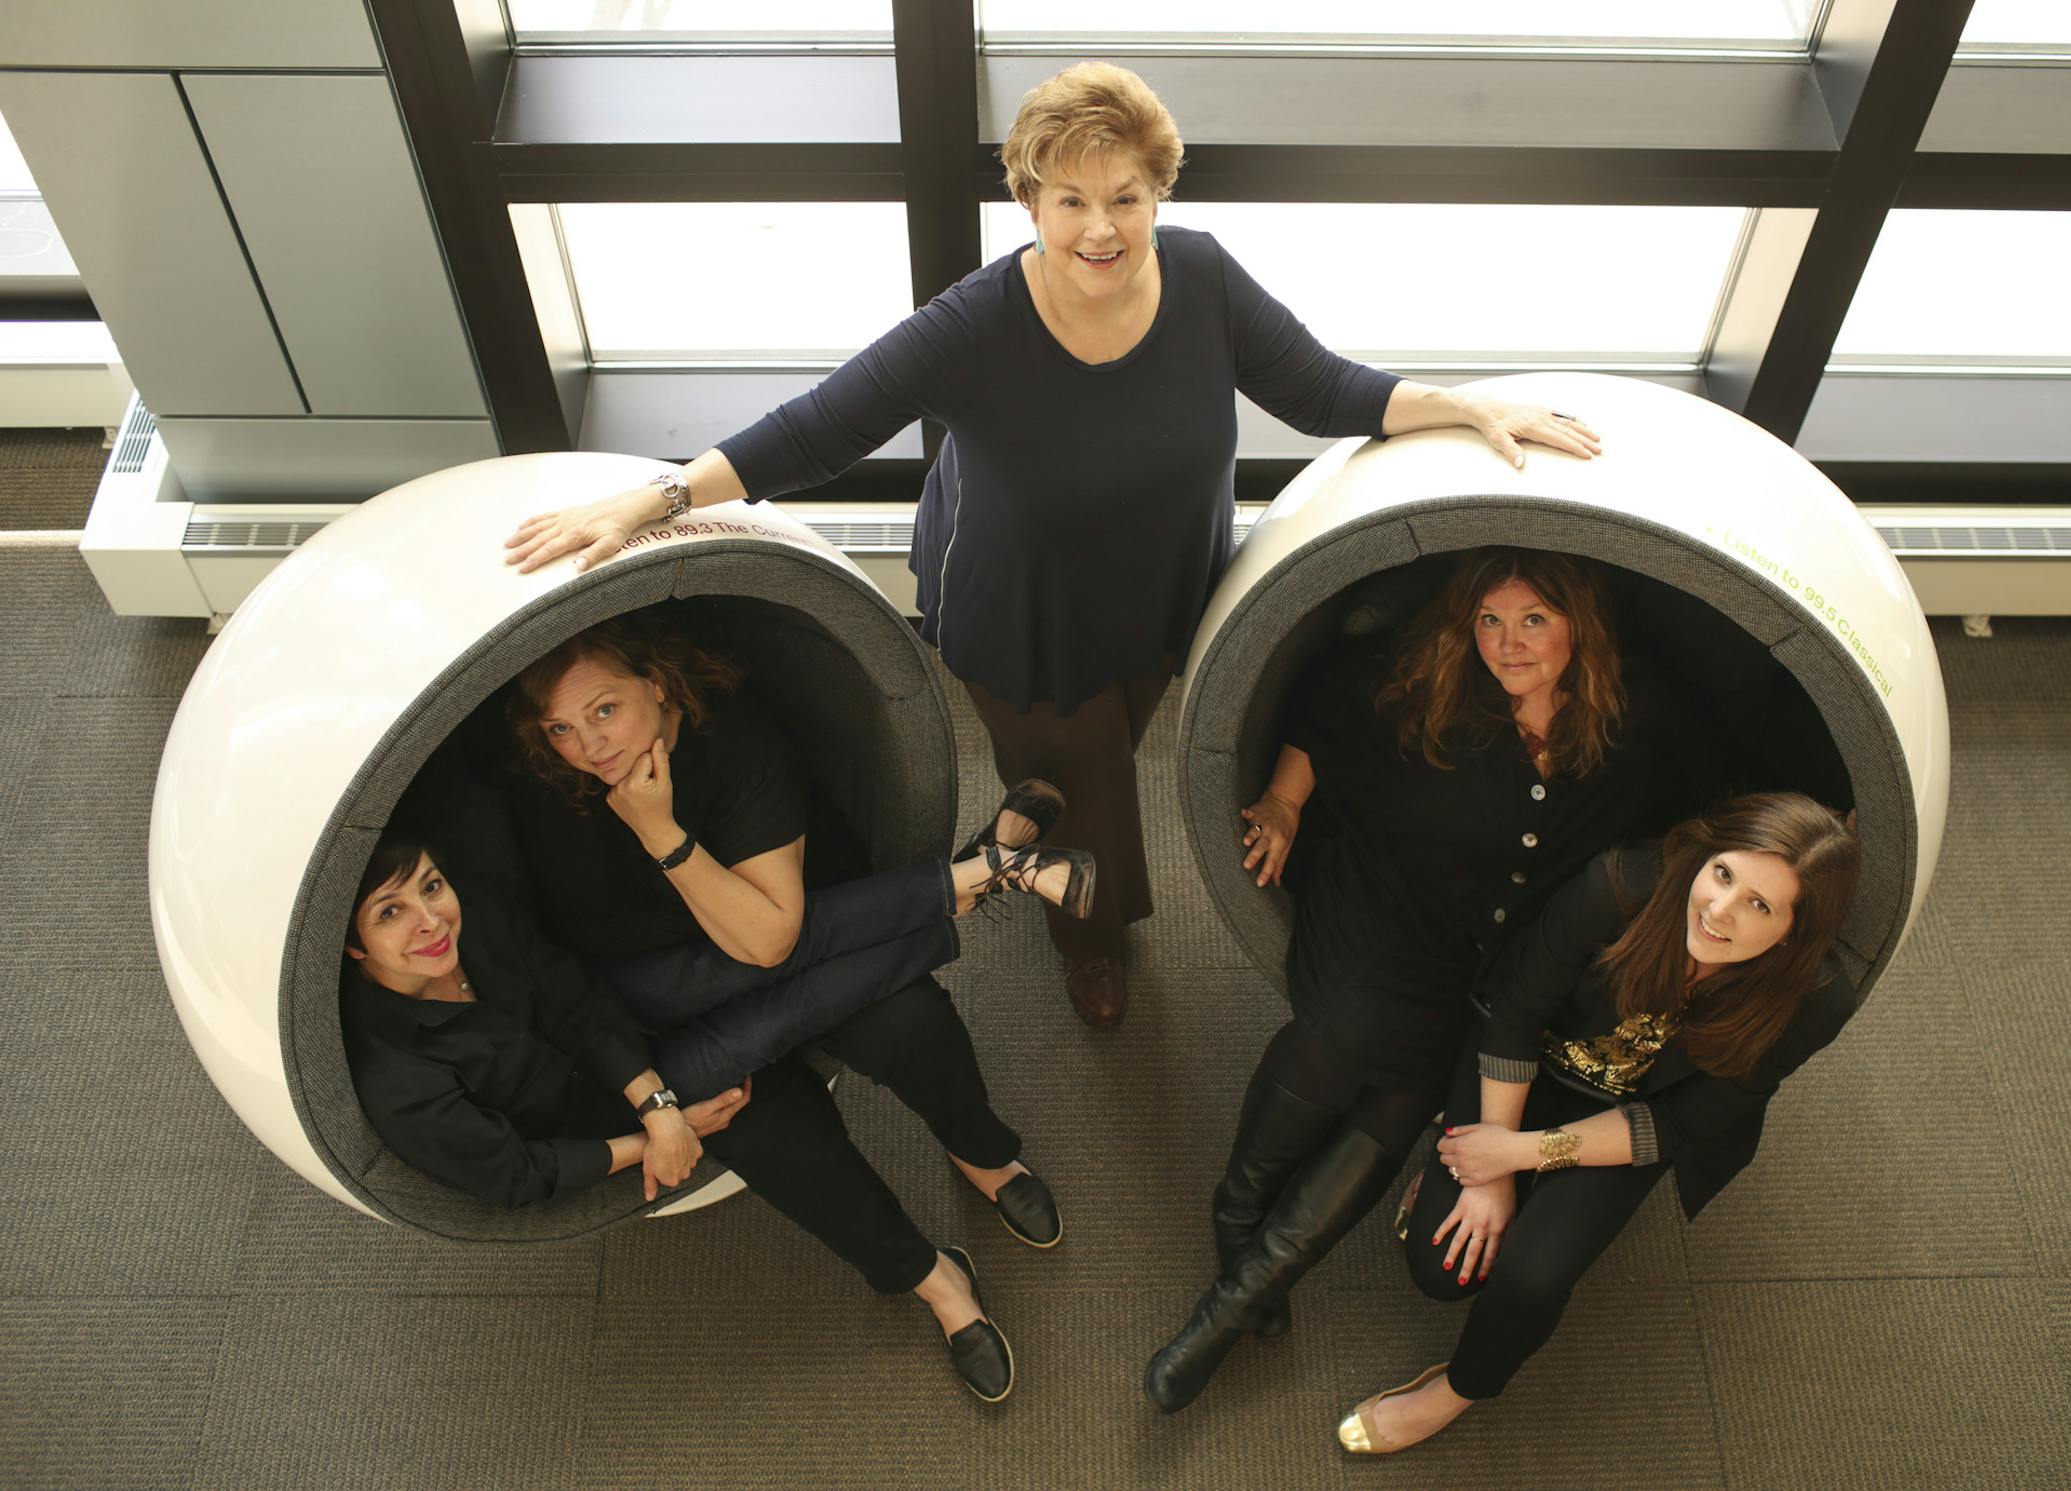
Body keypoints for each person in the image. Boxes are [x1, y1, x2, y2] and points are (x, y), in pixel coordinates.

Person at [502, 61, 1601, 1028]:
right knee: (1093, 790)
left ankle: (1026, 819)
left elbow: (1322, 389)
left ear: (1159, 192)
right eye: (1070, 199)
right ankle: (1090, 933)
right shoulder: (979, 321)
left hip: (1159, 597)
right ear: (1028, 199)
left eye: (1126, 197)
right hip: (1021, 613)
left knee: (1102, 760)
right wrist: (654, 499)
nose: (1100, 229)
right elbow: (823, 426)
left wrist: (1461, 407)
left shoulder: (1205, 278)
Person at [1144, 546, 1673, 1413]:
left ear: (1580, 624)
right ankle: (1236, 1219)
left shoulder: (1630, 720)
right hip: (1384, 896)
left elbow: (1719, 780)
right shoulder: (1429, 682)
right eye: (1491, 621)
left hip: (1482, 957)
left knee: (1406, 1090)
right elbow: (1323, 708)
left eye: (1534, 620)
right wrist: (1282, 801)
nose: (1508, 644)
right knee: (1343, 1037)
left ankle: (1228, 1305)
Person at [492, 616, 1072, 1335]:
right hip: (687, 1002)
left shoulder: (736, 739)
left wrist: (659, 833)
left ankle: (981, 1153)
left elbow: (767, 940)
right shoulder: (551, 785)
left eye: (604, 709)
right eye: (561, 729)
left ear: (655, 682)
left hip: (776, 940)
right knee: (763, 1128)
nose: (589, 745)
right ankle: (930, 1276)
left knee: (909, 1023)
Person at [340, 822, 1023, 1401]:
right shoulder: (398, 1078)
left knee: (769, 979)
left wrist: (657, 1099)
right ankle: (933, 1278)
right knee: (776, 1126)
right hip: (601, 1122)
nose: (430, 920)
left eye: (431, 886)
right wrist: (659, 1133)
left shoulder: (476, 918)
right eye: (390, 912)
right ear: (355, 944)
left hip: (624, 1038)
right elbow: (517, 1172)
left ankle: (943, 926)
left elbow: (569, 999)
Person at [1337, 793, 1860, 1455]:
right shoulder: (1620, 886)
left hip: (1629, 1120)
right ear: (1705, 854)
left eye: (1759, 904)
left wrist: (1516, 1154)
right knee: (1443, 1271)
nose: (1719, 910)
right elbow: (1516, 1009)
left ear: (1793, 931)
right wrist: (1490, 1171)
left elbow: (1682, 1119)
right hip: (1527, 1061)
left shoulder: (1811, 1003)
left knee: (1531, 1277)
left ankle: (1459, 1388)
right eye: (1724, 873)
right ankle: (1458, 1160)